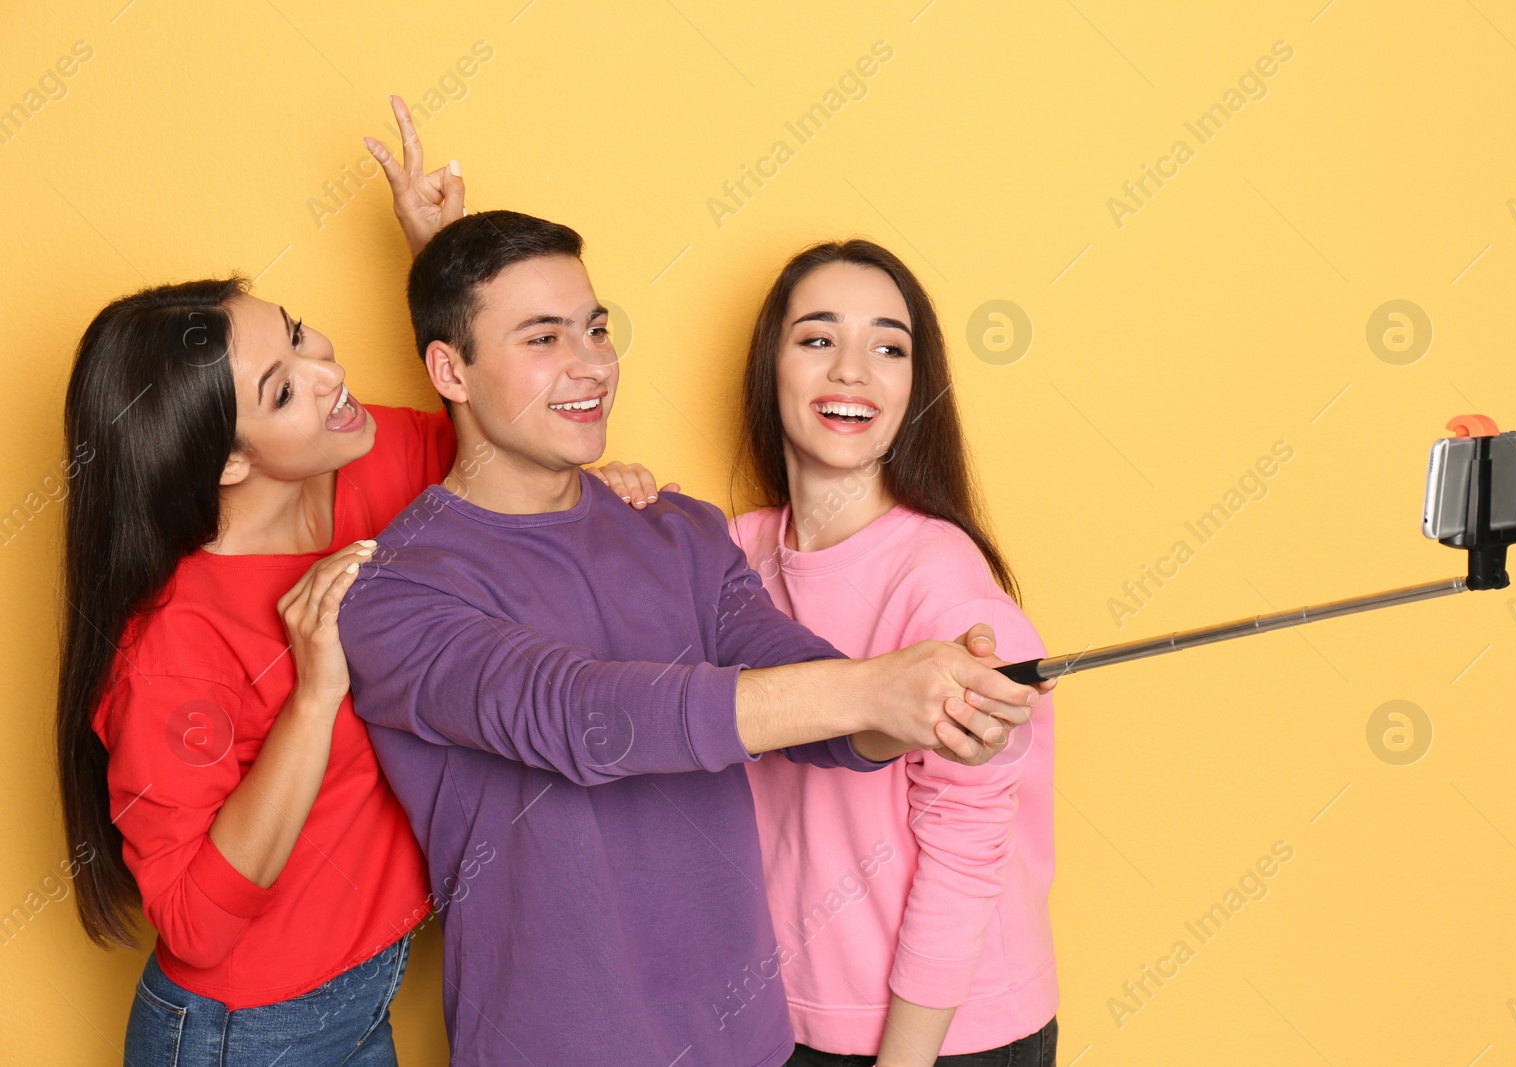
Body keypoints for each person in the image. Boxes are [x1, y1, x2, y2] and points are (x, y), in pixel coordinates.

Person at [336, 209, 1048, 1066]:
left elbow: (806, 686)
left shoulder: (680, 530)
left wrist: (926, 711)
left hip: (754, 1045)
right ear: (448, 368)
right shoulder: (396, 590)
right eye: (544, 337)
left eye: (596, 329)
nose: (592, 363)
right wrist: (875, 687)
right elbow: (584, 714)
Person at [52, 98, 669, 1066]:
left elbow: (510, 434)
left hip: (362, 992)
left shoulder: (371, 466)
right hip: (245, 1034)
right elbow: (195, 925)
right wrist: (316, 690)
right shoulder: (173, 645)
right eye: (283, 387)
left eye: (298, 333)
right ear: (222, 461)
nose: (327, 369)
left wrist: (445, 259)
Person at [727, 240, 1058, 1066]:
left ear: (916, 386)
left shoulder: (948, 587)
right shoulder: (730, 558)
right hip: (787, 1019)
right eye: (816, 338)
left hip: (942, 1037)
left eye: (888, 347)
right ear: (771, 365)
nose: (853, 372)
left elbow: (966, 849)